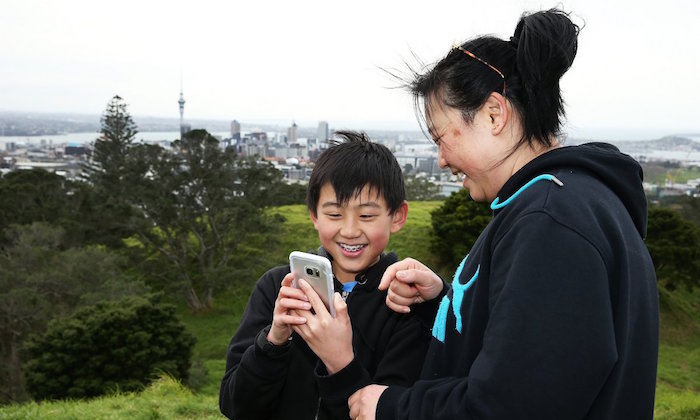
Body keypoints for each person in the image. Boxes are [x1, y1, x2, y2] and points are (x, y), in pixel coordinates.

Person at [349, 8, 659, 420]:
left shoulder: (550, 222)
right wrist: (444, 301)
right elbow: (539, 348)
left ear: (494, 114)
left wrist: (391, 407)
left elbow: (516, 404)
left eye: (443, 138)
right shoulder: (568, 201)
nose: (441, 160)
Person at [219, 131, 433, 419]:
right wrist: (273, 341)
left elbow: (396, 411)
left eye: (367, 216)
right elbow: (235, 405)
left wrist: (340, 363)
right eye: (334, 214)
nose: (349, 230)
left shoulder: (406, 305)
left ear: (397, 216)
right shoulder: (276, 288)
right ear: (314, 215)